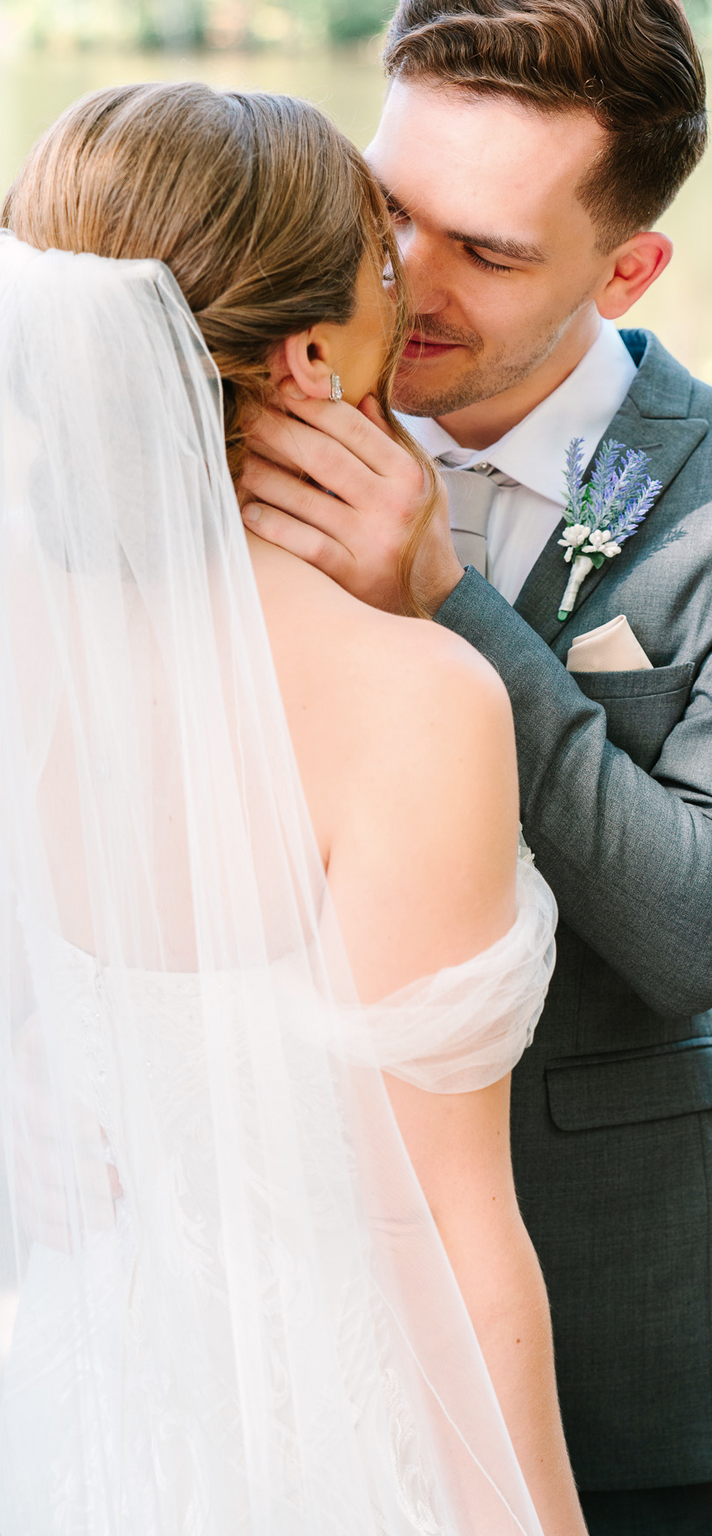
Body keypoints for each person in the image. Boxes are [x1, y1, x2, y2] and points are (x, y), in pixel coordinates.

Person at [241, 0, 712, 1536]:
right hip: (262, 1278)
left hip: (605, 1297)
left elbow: (703, 924)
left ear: (627, 270)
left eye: (489, 250)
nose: (405, 277)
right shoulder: (235, 411)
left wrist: (452, 609)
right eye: (388, 207)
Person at [0, 82, 588, 1536]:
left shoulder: (32, 643)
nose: (418, 284)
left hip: (78, 1403)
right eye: (386, 256)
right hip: (328, 1432)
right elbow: (437, 1221)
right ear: (310, 353)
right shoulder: (412, 700)